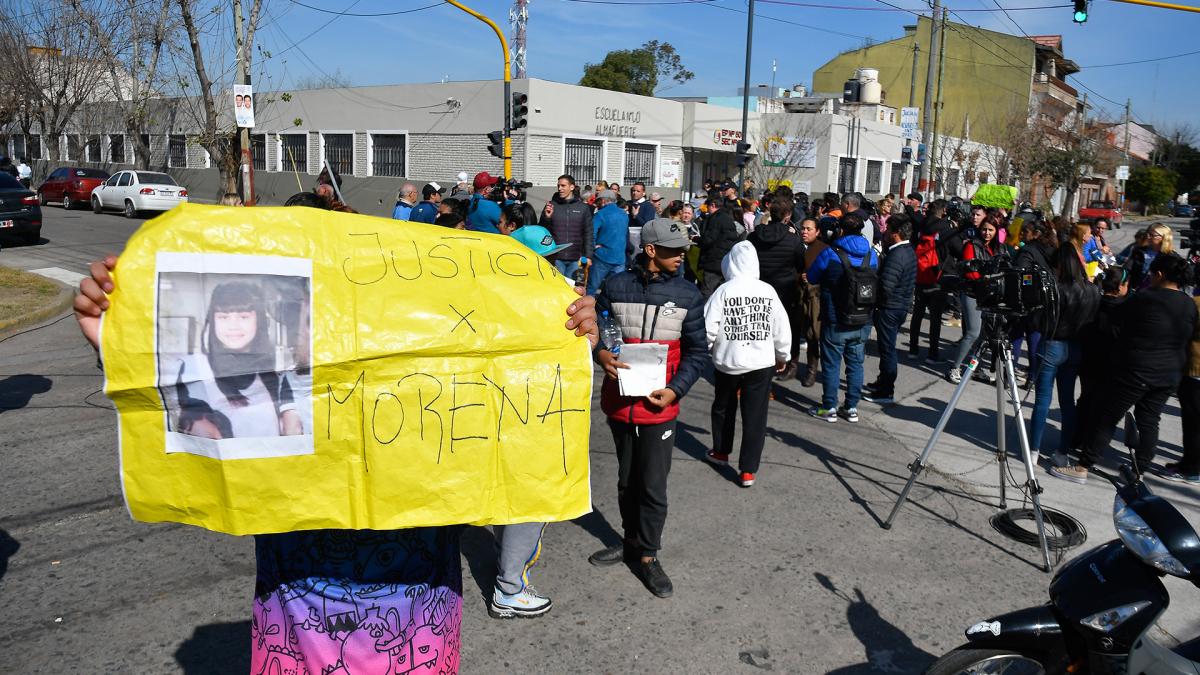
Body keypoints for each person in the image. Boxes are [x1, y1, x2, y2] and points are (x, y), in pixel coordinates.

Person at [73, 207, 600, 674]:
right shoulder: (278, 385)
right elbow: (180, 416)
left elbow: (515, 420)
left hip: (417, 625)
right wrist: (115, 340)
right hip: (299, 624)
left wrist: (562, 333)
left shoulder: (434, 370)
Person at [590, 217, 709, 598]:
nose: (682, 256)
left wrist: (676, 390)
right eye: (675, 251)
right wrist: (600, 354)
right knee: (626, 482)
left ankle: (648, 555)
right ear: (651, 250)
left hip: (660, 409)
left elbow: (698, 353)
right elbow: (596, 331)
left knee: (653, 487)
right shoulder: (615, 285)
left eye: (684, 250)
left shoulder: (688, 294)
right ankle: (629, 542)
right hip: (619, 404)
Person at [1053, 254, 1197, 484]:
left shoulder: (1147, 298)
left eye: (1152, 274)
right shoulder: (1188, 303)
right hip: (1170, 373)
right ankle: (1138, 472)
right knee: (1149, 421)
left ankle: (1083, 466)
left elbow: (1117, 317)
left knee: (1107, 416)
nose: (1150, 278)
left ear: (1160, 275)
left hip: (1138, 370)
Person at [702, 241, 790, 487]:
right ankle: (748, 470)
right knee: (755, 415)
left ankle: (721, 451)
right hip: (761, 363)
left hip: (728, 361)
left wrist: (706, 349)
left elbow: (708, 327)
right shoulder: (767, 291)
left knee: (723, 407)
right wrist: (782, 355)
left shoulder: (723, 290)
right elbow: (781, 327)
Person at [1027, 222, 1099, 466]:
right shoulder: (1092, 290)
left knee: (1042, 400)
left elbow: (1038, 322)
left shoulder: (1055, 289)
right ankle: (1062, 452)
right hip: (1075, 348)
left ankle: (1034, 450)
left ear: (1059, 265)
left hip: (1052, 344)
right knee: (1067, 402)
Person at [806, 214, 878, 423]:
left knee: (831, 364)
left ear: (841, 230)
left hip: (835, 317)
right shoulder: (871, 254)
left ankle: (829, 407)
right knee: (856, 364)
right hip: (863, 317)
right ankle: (851, 407)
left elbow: (812, 276)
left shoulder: (831, 253)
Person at [948, 214, 1006, 384]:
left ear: (996, 231)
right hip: (972, 293)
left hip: (990, 295)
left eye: (990, 230)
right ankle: (954, 368)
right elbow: (970, 271)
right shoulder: (972, 245)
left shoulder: (1000, 248)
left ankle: (974, 369)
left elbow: (1004, 268)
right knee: (973, 332)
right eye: (984, 229)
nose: (987, 233)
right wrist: (987, 278)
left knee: (984, 335)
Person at [864, 214, 915, 404]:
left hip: (890, 308)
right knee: (886, 348)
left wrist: (876, 300)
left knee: (887, 350)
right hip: (899, 306)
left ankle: (886, 391)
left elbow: (886, 286)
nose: (884, 232)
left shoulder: (897, 255)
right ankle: (882, 382)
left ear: (896, 233)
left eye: (888, 229)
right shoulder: (908, 250)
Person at [1161, 283, 1200, 484]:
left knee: (1193, 423)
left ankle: (1192, 469)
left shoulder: (1196, 304)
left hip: (1195, 370)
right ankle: (1188, 463)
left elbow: (1182, 332)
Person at [908, 200, 951, 363]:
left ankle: (913, 349)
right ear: (944, 210)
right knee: (935, 318)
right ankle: (932, 354)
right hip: (936, 276)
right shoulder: (945, 228)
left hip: (920, 274)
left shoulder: (921, 224)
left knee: (917, 314)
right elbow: (956, 249)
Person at [540, 174, 594, 279]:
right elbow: (542, 231)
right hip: (556, 258)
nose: (560, 188)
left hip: (577, 259)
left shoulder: (583, 208)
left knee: (574, 287)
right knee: (557, 287)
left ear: (572, 187)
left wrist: (588, 256)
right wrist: (547, 218)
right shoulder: (551, 206)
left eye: (563, 186)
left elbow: (588, 233)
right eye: (558, 186)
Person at [794, 217, 826, 387]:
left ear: (817, 231)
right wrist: (799, 276)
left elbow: (830, 274)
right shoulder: (796, 246)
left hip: (814, 298)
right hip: (795, 295)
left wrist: (814, 278)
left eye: (809, 229)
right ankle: (792, 365)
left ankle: (812, 371)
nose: (804, 232)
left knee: (812, 334)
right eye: (803, 228)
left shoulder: (823, 249)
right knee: (793, 331)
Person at [698, 197, 741, 298]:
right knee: (722, 293)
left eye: (708, 206)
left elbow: (709, 239)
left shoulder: (715, 219)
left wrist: (697, 240)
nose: (707, 209)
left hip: (713, 260)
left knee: (707, 292)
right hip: (726, 261)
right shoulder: (728, 217)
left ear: (713, 205)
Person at [589, 189, 628, 296]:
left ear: (603, 201)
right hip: (620, 257)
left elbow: (591, 233)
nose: (596, 205)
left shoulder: (600, 214)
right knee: (616, 290)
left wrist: (594, 247)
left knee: (592, 288)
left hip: (602, 256)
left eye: (597, 201)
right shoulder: (624, 214)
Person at [1125, 223, 1173, 290]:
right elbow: (1127, 269)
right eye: (1147, 234)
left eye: (1151, 235)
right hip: (1136, 290)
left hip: (1157, 292)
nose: (1148, 237)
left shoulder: (1171, 257)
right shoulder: (1138, 251)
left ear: (1163, 237)